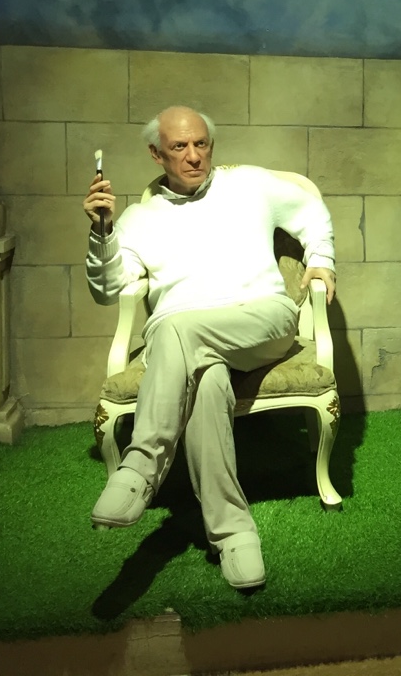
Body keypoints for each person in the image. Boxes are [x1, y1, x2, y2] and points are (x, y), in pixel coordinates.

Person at [83, 105, 336, 588]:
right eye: (180, 147)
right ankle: (233, 533)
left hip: (262, 320)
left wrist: (322, 258)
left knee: (176, 329)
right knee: (207, 380)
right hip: (186, 344)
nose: (194, 155)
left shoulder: (250, 185)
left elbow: (310, 210)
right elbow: (107, 290)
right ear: (156, 154)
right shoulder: (137, 218)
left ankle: (143, 464)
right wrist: (102, 231)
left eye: (201, 144)